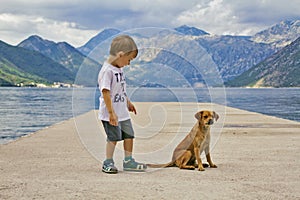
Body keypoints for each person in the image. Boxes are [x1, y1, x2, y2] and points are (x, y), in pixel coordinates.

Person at [98, 35, 147, 174]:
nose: (129, 63)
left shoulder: (119, 69)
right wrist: (111, 113)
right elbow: (106, 93)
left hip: (122, 111)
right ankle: (108, 162)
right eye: (129, 59)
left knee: (129, 135)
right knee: (113, 137)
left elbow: (120, 90)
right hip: (111, 113)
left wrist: (128, 102)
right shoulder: (107, 71)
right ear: (120, 55)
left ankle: (128, 161)